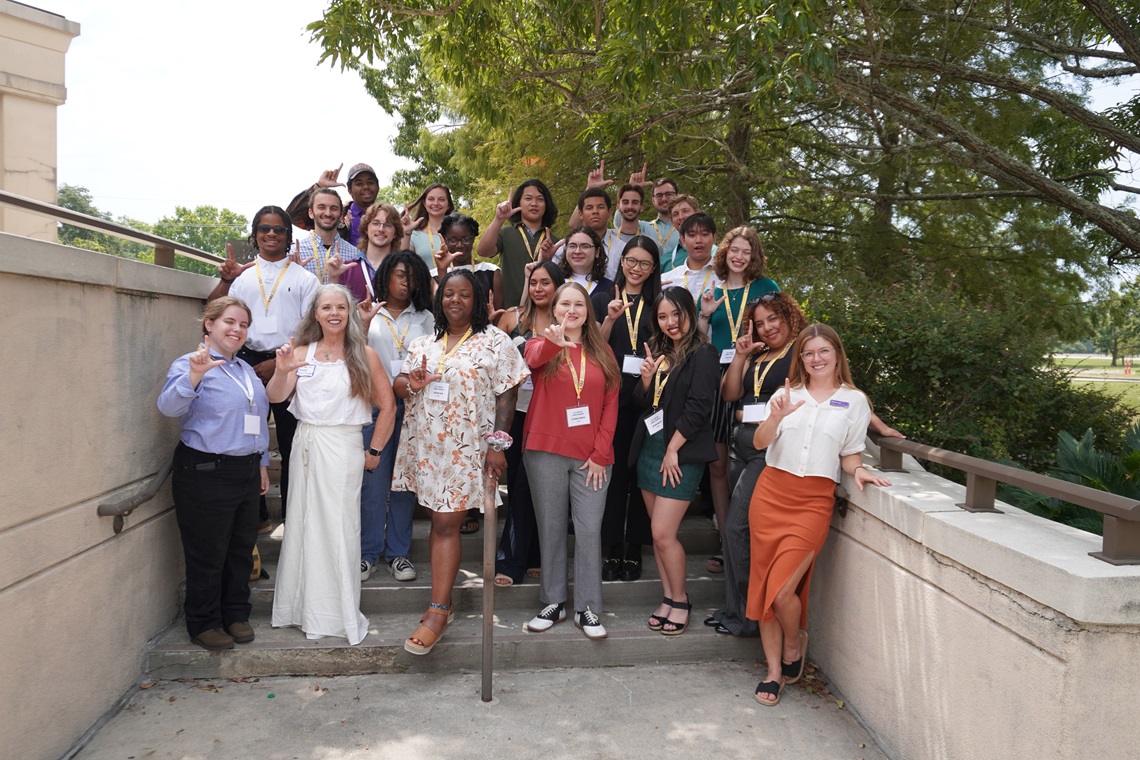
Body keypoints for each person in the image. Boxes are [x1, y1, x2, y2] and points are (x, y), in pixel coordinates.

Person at [747, 324, 892, 706]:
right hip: (771, 493)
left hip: (813, 501)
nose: (817, 359)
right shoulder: (784, 394)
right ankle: (775, 671)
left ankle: (794, 642)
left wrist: (858, 470)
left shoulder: (856, 401)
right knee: (767, 587)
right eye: (809, 353)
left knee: (781, 592)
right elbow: (760, 442)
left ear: (837, 354)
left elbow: (850, 452)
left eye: (823, 351)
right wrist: (776, 417)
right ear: (801, 359)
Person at [392, 269, 529, 655]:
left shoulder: (494, 341)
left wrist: (499, 445)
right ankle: (443, 602)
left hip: (468, 448)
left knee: (446, 523)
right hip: (429, 447)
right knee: (439, 521)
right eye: (448, 294)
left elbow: (508, 394)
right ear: (439, 300)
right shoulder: (424, 343)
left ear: (477, 299)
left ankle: (438, 610)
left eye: (464, 294)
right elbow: (399, 386)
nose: (455, 300)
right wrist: (410, 382)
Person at [267, 284, 396, 646]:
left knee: (338, 528)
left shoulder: (364, 354)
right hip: (305, 444)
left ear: (350, 313)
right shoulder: (300, 352)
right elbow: (275, 397)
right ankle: (301, 609)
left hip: (343, 446)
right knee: (303, 524)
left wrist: (375, 451)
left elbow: (387, 406)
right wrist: (281, 371)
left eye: (341, 306)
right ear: (316, 314)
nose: (334, 313)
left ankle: (337, 613)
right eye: (327, 307)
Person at [157, 297, 270, 651]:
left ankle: (235, 614)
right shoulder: (190, 363)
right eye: (229, 322)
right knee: (208, 551)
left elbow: (256, 421)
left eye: (243, 325)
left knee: (240, 548)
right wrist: (194, 375)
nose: (237, 330)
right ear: (209, 324)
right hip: (206, 470)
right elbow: (168, 407)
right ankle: (204, 622)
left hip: (246, 469)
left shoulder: (245, 371)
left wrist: (263, 462)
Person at [209, 207, 320, 530]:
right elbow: (215, 312)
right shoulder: (242, 278)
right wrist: (225, 279)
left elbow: (310, 329)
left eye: (278, 230)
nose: (271, 234)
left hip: (287, 362)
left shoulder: (305, 279)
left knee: (290, 444)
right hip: (245, 362)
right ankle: (254, 515)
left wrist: (278, 363)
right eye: (264, 229)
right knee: (247, 439)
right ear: (255, 234)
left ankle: (292, 516)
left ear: (288, 235)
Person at [522, 283, 621, 640]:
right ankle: (553, 602)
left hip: (592, 458)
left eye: (579, 304)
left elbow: (611, 407)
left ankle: (588, 608)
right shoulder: (539, 342)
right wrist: (554, 340)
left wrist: (600, 453)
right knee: (550, 526)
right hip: (545, 451)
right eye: (565, 303)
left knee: (589, 529)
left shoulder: (603, 352)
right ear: (554, 307)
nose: (572, 310)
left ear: (588, 311)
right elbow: (533, 361)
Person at [631, 287, 719, 636]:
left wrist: (673, 449)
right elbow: (644, 405)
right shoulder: (662, 352)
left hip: (678, 454)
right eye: (663, 316)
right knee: (658, 535)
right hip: (650, 451)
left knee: (663, 533)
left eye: (676, 314)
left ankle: (680, 600)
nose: (670, 322)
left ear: (689, 311)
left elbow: (699, 408)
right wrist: (648, 380)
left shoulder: (704, 353)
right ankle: (667, 597)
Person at [696, 227, 781, 575]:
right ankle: (723, 536)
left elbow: (780, 329)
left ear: (754, 256)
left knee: (753, 457)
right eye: (735, 249)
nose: (740, 256)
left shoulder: (766, 288)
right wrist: (703, 314)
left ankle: (748, 533)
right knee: (717, 465)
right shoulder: (711, 289)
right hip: (718, 379)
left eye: (747, 251)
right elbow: (702, 340)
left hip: (754, 378)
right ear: (725, 251)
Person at [357, 252, 435, 582]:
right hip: (375, 406)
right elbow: (349, 356)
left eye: (413, 277)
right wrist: (360, 326)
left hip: (414, 406)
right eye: (400, 275)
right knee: (373, 481)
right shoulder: (367, 314)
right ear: (386, 276)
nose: (406, 282)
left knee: (404, 483)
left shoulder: (427, 317)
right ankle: (367, 553)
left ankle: (398, 554)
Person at [494, 261, 566, 586]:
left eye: (546, 282)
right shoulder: (513, 318)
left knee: (541, 484)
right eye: (534, 282)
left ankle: (533, 555)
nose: (539, 288)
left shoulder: (566, 320)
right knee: (520, 485)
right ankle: (512, 558)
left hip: (552, 414)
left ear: (557, 286)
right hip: (517, 412)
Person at [598, 236, 662, 582]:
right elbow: (591, 347)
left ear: (653, 269)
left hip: (649, 403)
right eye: (631, 261)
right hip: (610, 403)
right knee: (613, 479)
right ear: (621, 261)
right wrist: (608, 319)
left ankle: (635, 548)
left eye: (644, 264)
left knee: (641, 480)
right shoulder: (601, 298)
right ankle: (611, 549)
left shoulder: (660, 304)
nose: (636, 269)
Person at [477, 179, 558, 306]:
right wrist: (499, 219)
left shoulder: (554, 242)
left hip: (545, 313)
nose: (534, 203)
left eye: (540, 199)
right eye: (528, 198)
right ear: (518, 202)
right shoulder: (506, 233)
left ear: (546, 205)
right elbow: (483, 251)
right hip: (510, 312)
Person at [286, 162, 380, 246]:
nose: (366, 187)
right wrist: (319, 186)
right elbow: (293, 216)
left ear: (378, 187)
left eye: (370, 182)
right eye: (359, 184)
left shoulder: (388, 217)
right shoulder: (336, 216)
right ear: (350, 190)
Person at [432, 211, 503, 317]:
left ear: (473, 238)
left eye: (465, 239)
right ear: (445, 240)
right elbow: (438, 312)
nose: (459, 245)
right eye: (452, 240)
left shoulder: (491, 272)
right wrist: (442, 270)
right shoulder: (434, 275)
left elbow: (499, 316)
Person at [291, 188, 362, 286]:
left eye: (334, 208)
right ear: (311, 213)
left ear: (341, 215)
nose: (328, 213)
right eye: (321, 207)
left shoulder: (355, 255)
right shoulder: (294, 254)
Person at [339, 202, 405, 305]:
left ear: (395, 232)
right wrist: (333, 277)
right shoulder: (347, 270)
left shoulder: (404, 269)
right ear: (366, 228)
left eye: (388, 225)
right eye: (375, 223)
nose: (381, 229)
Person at [556, 188, 622, 281]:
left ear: (610, 212)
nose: (595, 211)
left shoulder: (622, 248)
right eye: (589, 208)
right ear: (581, 214)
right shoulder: (563, 247)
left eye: (600, 207)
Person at [557, 226, 615, 320]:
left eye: (585, 246)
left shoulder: (609, 288)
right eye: (572, 246)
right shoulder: (554, 282)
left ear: (597, 252)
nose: (577, 251)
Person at [660, 213, 721, 301]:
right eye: (692, 235)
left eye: (704, 234)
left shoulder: (724, 277)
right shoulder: (667, 280)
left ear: (714, 239)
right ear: (683, 240)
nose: (698, 240)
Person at [406, 183, 456, 268]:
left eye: (441, 199)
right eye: (431, 199)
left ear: (449, 205)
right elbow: (404, 264)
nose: (436, 203)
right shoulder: (414, 235)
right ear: (424, 203)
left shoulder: (459, 233)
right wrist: (406, 232)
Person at [659, 194, 701, 272]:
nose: (681, 217)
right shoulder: (664, 261)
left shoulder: (715, 253)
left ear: (698, 213)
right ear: (672, 221)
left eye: (685, 211)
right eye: (675, 214)